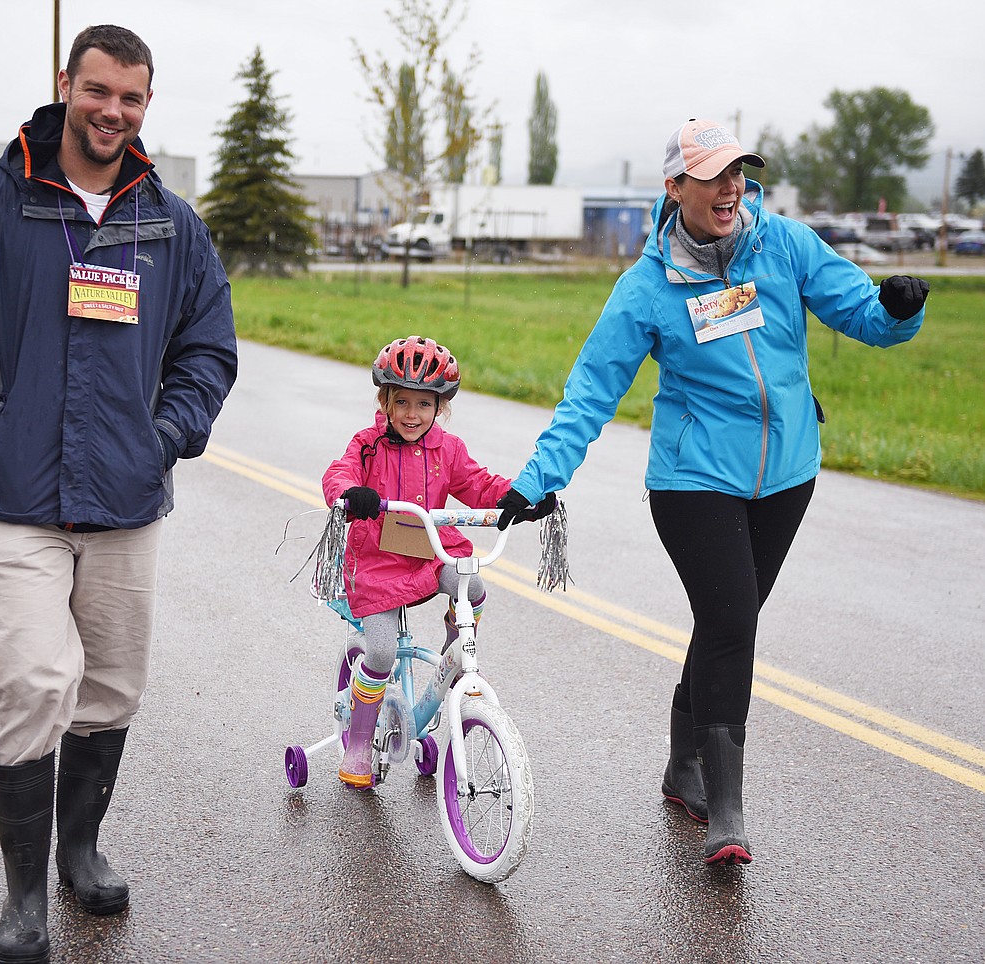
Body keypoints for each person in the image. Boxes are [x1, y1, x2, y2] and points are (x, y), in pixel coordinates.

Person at [496, 118, 928, 866]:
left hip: (787, 473)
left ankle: (681, 763)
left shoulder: (784, 244)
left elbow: (860, 313)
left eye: (739, 173)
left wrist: (897, 308)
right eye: (713, 176)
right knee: (732, 621)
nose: (731, 188)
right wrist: (539, 478)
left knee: (726, 621)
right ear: (675, 188)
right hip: (694, 481)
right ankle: (727, 811)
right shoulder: (648, 288)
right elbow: (592, 390)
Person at [0, 25, 238, 964]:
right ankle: (21, 902)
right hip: (15, 497)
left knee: (112, 686)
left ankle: (80, 851)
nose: (112, 113)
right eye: (98, 92)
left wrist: (164, 436)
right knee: (32, 680)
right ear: (66, 85)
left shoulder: (168, 220)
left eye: (131, 99)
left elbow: (209, 347)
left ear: (145, 107)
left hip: (128, 502)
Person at [322, 335, 548, 789]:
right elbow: (339, 472)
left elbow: (478, 484)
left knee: (474, 585)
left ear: (440, 407)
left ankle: (455, 650)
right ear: (384, 401)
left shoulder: (448, 449)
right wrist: (351, 494)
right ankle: (360, 743)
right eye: (401, 401)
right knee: (382, 651)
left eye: (424, 404)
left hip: (430, 553)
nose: (411, 414)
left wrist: (519, 498)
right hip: (379, 563)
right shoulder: (368, 445)